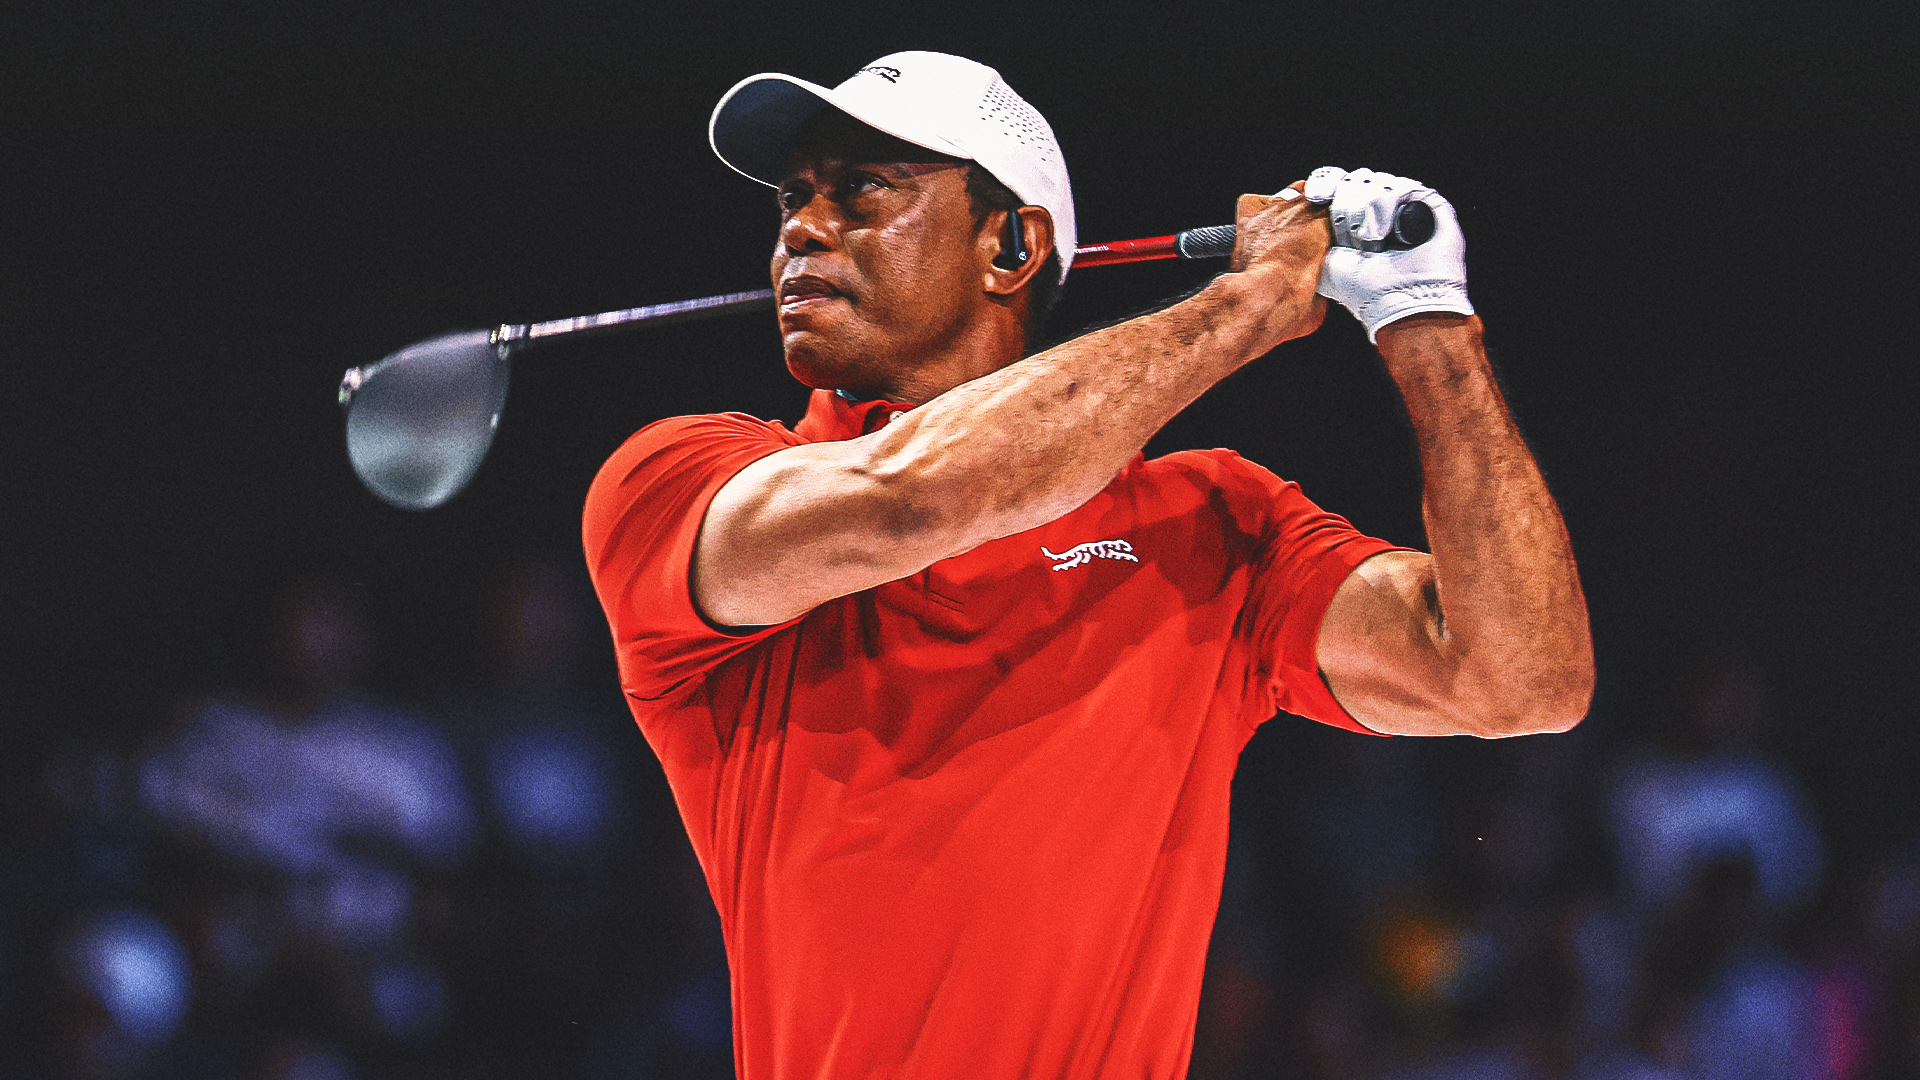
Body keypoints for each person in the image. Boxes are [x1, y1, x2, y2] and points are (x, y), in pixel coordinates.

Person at [582, 50, 1593, 1080]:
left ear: (1012, 246)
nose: (802, 228)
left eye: (862, 190)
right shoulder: (673, 481)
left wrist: (1428, 321)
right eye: (794, 199)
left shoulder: (1211, 527)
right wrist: (1248, 302)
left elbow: (1523, 680)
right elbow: (917, 497)